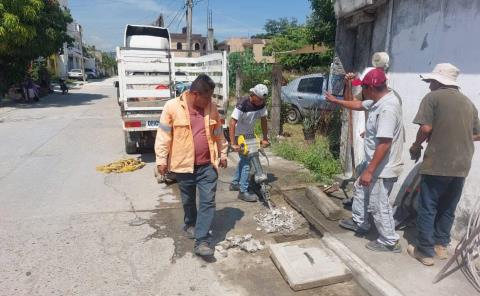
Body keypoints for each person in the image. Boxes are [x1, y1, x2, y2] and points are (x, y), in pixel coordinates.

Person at [408, 63, 480, 266]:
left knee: (428, 206)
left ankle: (425, 251)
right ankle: (441, 246)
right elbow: (478, 134)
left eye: (431, 81)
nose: (429, 85)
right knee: (448, 207)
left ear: (438, 81)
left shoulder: (432, 98)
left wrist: (415, 145)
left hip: (438, 161)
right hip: (462, 164)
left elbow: (426, 128)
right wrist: (459, 136)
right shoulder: (468, 103)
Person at [326, 68, 404, 253]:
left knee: (378, 205)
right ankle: (361, 223)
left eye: (364, 88)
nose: (362, 92)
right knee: (361, 190)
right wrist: (337, 101)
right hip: (374, 163)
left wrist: (370, 171)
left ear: (371, 88)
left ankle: (389, 241)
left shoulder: (387, 108)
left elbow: (385, 143)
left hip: (382, 167)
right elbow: (360, 105)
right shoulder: (379, 100)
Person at [155, 74, 228, 257]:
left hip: (207, 165)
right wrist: (161, 160)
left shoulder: (211, 108)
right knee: (188, 200)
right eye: (207, 97)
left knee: (208, 201)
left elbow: (218, 132)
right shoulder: (172, 107)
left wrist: (223, 153)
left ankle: (201, 240)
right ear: (195, 93)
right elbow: (164, 135)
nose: (209, 101)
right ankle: (190, 223)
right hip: (182, 166)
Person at [229, 84, 270, 202]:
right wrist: (233, 143)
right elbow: (232, 123)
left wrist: (265, 138)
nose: (262, 101)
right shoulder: (243, 103)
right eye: (260, 99)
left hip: (250, 136)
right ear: (253, 95)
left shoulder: (261, 104)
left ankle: (235, 183)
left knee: (244, 160)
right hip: (238, 136)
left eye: (263, 99)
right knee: (248, 163)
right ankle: (243, 191)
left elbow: (263, 120)